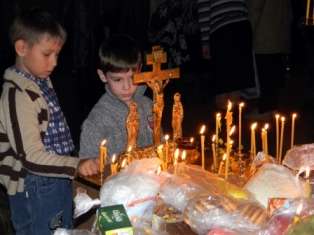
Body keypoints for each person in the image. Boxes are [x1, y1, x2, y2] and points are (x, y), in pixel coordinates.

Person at [0, 8, 99, 235]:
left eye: (57, 54)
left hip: (56, 178)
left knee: (63, 231)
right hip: (33, 186)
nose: (54, 62)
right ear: (22, 48)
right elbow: (30, 156)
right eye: (47, 54)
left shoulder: (41, 82)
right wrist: (76, 165)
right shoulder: (17, 94)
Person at [79, 35, 154, 160]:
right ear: (103, 76)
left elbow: (159, 142)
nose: (127, 87)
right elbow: (88, 159)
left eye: (132, 77)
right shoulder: (98, 118)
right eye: (118, 80)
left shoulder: (149, 105)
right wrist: (91, 163)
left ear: (140, 70)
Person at [197, 0, 255, 110]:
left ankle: (224, 121)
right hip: (241, 25)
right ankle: (233, 119)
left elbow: (204, 8)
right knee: (236, 80)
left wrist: (205, 42)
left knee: (222, 82)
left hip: (222, 28)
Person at [244, 0, 293, 121]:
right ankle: (272, 107)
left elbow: (255, 8)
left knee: (264, 73)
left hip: (264, 32)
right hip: (278, 30)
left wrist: (247, 30)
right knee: (274, 71)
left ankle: (264, 109)